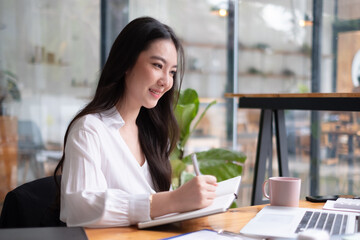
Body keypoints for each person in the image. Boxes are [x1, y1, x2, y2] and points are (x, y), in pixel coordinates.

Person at [53, 16, 218, 227]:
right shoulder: (89, 130)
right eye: (158, 65)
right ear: (127, 63)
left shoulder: (152, 133)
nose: (166, 81)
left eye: (172, 72)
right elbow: (81, 207)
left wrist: (186, 205)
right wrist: (173, 200)